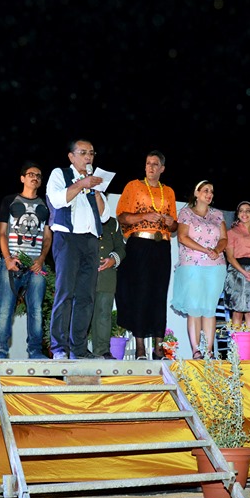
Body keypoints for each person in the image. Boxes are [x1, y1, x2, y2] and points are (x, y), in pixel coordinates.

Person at [46, 139, 108, 359]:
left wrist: (97, 191)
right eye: (83, 152)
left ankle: (79, 348)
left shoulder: (94, 180)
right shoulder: (60, 174)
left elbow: (104, 216)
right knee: (65, 293)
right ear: (71, 156)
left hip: (91, 241)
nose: (88, 157)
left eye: (91, 153)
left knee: (86, 297)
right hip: (67, 239)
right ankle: (59, 348)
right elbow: (56, 200)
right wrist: (82, 184)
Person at [115, 151, 178, 360]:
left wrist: (171, 223)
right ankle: (140, 348)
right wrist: (144, 216)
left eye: (155, 164)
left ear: (162, 169)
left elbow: (175, 226)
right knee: (140, 293)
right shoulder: (133, 186)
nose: (151, 167)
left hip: (162, 246)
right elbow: (122, 217)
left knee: (159, 294)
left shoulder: (168, 191)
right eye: (148, 163)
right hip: (139, 244)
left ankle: (159, 348)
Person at [0, 162, 51, 360]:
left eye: (39, 175)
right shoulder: (10, 201)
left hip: (36, 266)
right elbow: (1, 233)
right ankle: (1, 351)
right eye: (31, 174)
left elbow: (48, 237)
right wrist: (8, 259)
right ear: (22, 178)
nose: (35, 177)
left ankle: (35, 351)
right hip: (12, 263)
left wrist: (41, 259)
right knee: (4, 308)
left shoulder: (46, 205)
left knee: (36, 309)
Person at [170, 180, 228, 358]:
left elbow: (224, 239)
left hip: (215, 266)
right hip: (192, 265)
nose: (209, 194)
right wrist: (205, 250)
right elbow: (182, 237)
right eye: (205, 190)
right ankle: (196, 350)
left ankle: (209, 351)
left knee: (209, 309)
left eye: (211, 191)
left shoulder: (217, 214)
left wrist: (216, 250)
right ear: (196, 193)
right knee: (194, 308)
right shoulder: (186, 212)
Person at [89, 216, 126, 358]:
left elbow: (121, 247)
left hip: (106, 275)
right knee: (82, 313)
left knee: (104, 313)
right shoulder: (81, 215)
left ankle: (102, 350)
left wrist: (113, 259)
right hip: (84, 274)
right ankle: (79, 350)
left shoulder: (112, 223)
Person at [224, 201, 250, 325]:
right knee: (237, 310)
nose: (244, 213)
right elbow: (230, 257)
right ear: (237, 214)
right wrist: (244, 272)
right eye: (241, 211)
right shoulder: (231, 233)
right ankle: (236, 338)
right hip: (237, 272)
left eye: (248, 211)